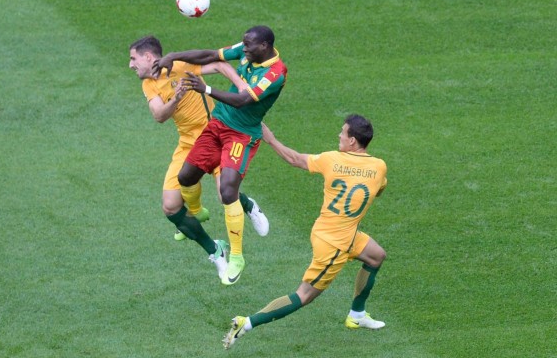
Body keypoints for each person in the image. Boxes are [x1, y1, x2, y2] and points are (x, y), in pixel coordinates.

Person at [223, 115, 388, 349]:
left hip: (336, 236)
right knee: (303, 296)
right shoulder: (379, 166)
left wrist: (270, 139)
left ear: (352, 141)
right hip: (335, 242)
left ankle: (357, 315)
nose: (339, 135)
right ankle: (246, 323)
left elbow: (295, 159)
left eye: (342, 132)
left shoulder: (332, 159)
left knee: (376, 255)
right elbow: (378, 190)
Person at [153, 25, 287, 285]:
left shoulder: (275, 73)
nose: (243, 49)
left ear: (265, 46)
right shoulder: (249, 51)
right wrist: (174, 56)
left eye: (248, 46)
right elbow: (209, 55)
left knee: (226, 190)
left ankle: (236, 256)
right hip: (217, 125)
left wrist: (206, 90)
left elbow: (243, 100)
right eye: (243, 45)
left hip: (241, 134)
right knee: (186, 177)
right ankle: (246, 205)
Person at [128, 36, 269, 280]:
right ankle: (215, 250)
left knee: (225, 193)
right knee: (170, 206)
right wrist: (178, 97)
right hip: (187, 144)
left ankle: (249, 206)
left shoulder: (180, 65)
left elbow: (219, 65)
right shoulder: (148, 83)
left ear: (149, 57)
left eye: (133, 59)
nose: (131, 65)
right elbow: (159, 115)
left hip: (216, 134)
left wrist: (241, 86)